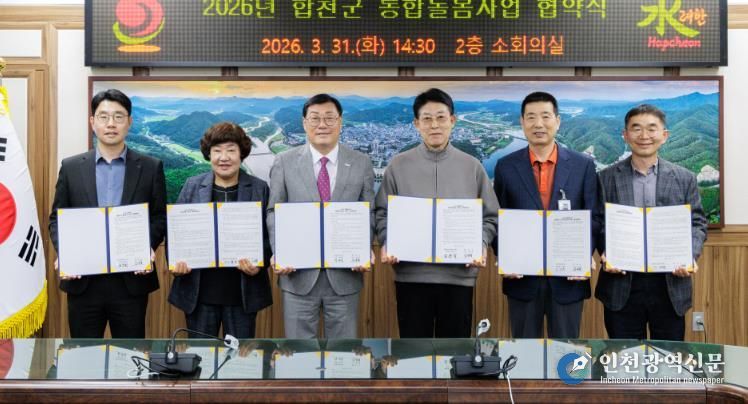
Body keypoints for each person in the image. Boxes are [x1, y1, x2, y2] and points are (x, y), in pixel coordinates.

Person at [375, 88, 499, 338]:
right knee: (414, 350)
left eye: (441, 118)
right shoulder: (398, 165)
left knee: (454, 351)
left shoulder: (472, 166)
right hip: (411, 275)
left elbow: (490, 216)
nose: (434, 125)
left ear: (452, 120)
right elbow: (381, 213)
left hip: (459, 276)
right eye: (427, 119)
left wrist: (481, 242)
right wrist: (388, 239)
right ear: (416, 124)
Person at [49, 89, 166, 338]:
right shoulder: (71, 167)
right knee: (83, 352)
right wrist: (65, 251)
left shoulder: (150, 167)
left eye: (118, 117)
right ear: (93, 122)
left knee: (131, 352)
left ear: (129, 122)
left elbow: (159, 217)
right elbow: (57, 218)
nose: (111, 124)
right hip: (83, 280)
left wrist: (148, 245)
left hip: (130, 280)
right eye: (103, 117)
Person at [493, 91, 603, 339]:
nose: (538, 124)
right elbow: (497, 218)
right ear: (522, 122)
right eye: (531, 117)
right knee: (523, 352)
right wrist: (504, 255)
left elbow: (594, 217)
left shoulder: (583, 165)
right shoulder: (506, 166)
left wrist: (583, 254)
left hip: (568, 278)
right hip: (522, 278)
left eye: (545, 116)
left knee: (566, 352)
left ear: (558, 121)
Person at [267, 93, 375, 339]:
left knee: (343, 353)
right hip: (297, 275)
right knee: (299, 352)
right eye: (315, 118)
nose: (322, 124)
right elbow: (274, 210)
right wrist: (280, 251)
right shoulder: (284, 161)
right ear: (304, 123)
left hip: (345, 275)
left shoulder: (361, 162)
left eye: (329, 118)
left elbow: (367, 211)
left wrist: (363, 248)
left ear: (340, 122)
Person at [597, 104, 707, 341]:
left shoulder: (684, 178)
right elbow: (599, 222)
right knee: (623, 356)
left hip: (670, 283)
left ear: (664, 135)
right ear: (625, 135)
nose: (644, 136)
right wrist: (607, 252)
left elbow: (697, 222)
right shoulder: (605, 178)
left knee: (668, 356)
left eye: (651, 128)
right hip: (622, 283)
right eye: (636, 129)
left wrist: (690, 255)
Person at [168, 122, 272, 338]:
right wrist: (175, 263)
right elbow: (176, 231)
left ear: (242, 153)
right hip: (200, 291)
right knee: (200, 354)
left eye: (231, 150)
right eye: (217, 151)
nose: (224, 157)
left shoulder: (259, 188)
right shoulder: (192, 185)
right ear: (209, 154)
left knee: (241, 356)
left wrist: (259, 264)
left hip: (242, 292)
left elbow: (270, 234)